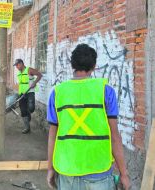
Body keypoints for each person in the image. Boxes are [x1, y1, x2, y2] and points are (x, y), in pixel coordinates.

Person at [47, 44, 130, 190]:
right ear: (94, 66)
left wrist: (50, 169)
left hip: (67, 170)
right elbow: (114, 136)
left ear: (72, 65)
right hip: (99, 170)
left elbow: (52, 136)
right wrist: (124, 174)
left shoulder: (57, 93)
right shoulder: (106, 91)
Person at [13, 59, 42, 134]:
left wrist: (34, 82)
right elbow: (20, 83)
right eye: (16, 65)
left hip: (30, 92)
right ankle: (27, 127)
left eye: (17, 65)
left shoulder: (29, 70)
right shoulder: (19, 73)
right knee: (23, 110)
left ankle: (29, 113)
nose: (16, 67)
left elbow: (39, 75)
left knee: (31, 108)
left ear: (22, 63)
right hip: (22, 93)